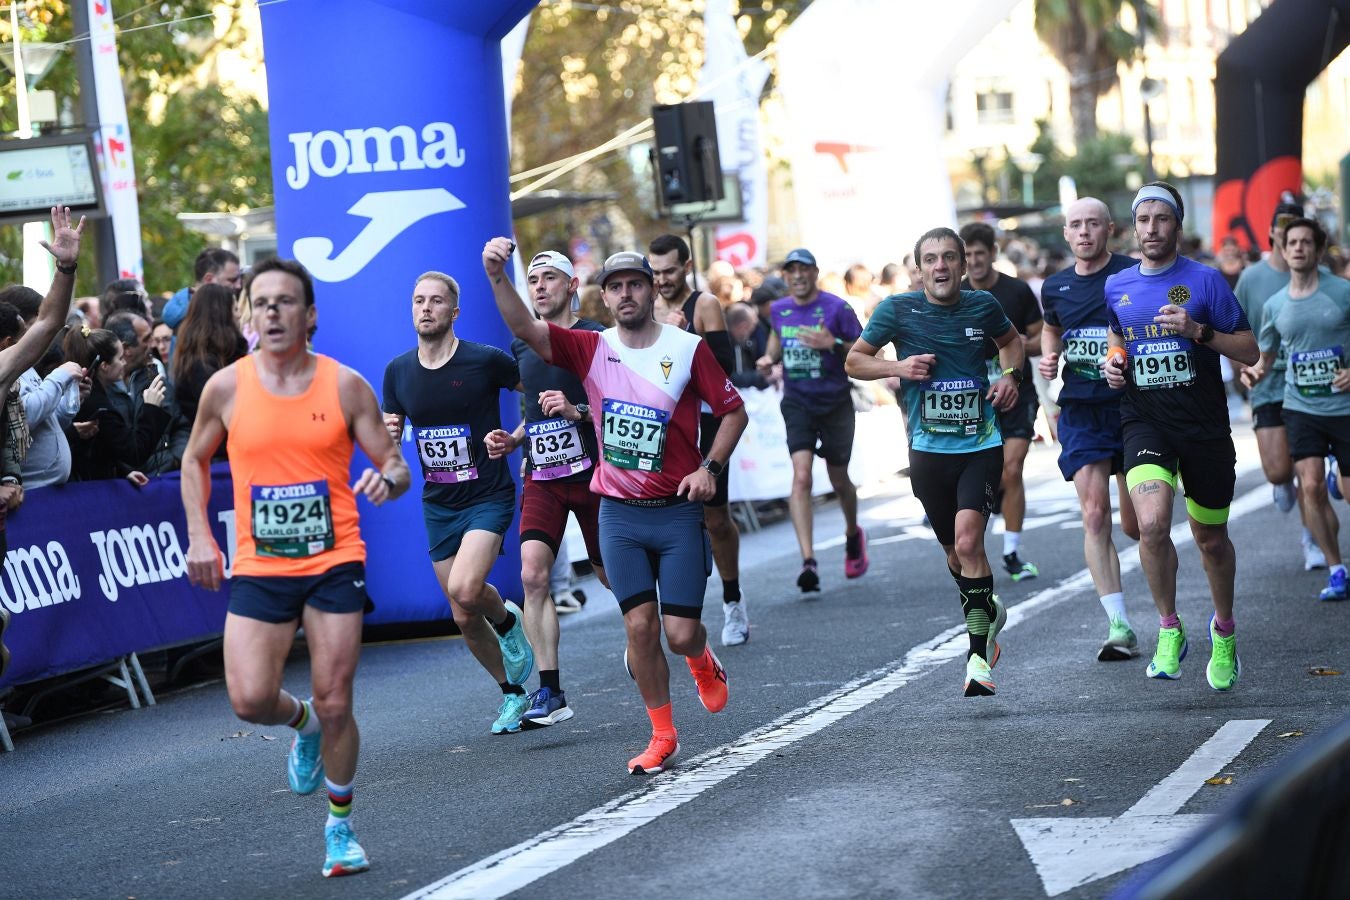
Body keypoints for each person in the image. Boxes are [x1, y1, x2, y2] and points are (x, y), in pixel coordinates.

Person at [182, 257, 411, 878]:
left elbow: (395, 464)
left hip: (335, 557)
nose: (274, 311)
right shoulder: (226, 388)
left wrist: (387, 481)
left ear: (309, 316)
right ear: (248, 315)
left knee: (337, 698)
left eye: (286, 301)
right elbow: (194, 459)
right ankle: (300, 723)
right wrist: (201, 535)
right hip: (262, 563)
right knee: (250, 698)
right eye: (263, 302)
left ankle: (340, 827)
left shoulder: (344, 385)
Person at [483, 240, 748, 775]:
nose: (626, 294)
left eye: (636, 284)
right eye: (617, 286)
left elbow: (733, 411)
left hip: (675, 511)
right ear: (604, 297)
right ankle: (662, 735)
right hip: (620, 514)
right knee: (640, 629)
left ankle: (700, 658)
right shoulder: (592, 348)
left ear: (652, 290)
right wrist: (495, 275)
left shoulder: (687, 347)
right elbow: (526, 331)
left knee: (679, 633)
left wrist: (709, 469)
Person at [846, 227, 1022, 696]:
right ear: (919, 268)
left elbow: (1012, 343)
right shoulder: (897, 310)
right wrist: (898, 368)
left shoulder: (983, 306)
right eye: (931, 259)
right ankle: (989, 614)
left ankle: (979, 656)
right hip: (927, 452)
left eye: (949, 258)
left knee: (969, 543)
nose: (940, 266)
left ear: (964, 265)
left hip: (980, 444)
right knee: (954, 553)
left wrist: (1010, 376)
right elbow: (854, 361)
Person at [1103, 182, 1258, 692]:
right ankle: (1169, 627)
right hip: (1144, 420)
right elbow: (1118, 337)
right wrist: (1115, 364)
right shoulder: (1118, 285)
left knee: (1210, 539)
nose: (1151, 228)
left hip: (1204, 427)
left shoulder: (1207, 282)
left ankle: (1225, 630)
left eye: (1161, 219)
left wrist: (1198, 332)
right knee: (1149, 526)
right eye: (1143, 219)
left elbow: (1249, 350)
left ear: (1178, 224)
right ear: (1133, 226)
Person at [381, 270, 535, 735]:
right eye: (418, 300)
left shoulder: (484, 361)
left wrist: (516, 438)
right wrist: (388, 439)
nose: (425, 308)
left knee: (467, 589)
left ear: (454, 312)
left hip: (487, 494)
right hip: (439, 501)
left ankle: (508, 621)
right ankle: (512, 694)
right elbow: (393, 428)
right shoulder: (398, 371)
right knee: (462, 614)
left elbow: (543, 391)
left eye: (435, 301)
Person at [483, 250, 610, 728]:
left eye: (549, 278)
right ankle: (550, 690)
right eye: (532, 279)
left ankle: (646, 640)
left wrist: (577, 410)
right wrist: (512, 438)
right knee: (534, 576)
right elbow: (535, 412)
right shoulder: (523, 348)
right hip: (543, 478)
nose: (538, 287)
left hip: (595, 477)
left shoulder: (597, 338)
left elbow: (623, 407)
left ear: (572, 284)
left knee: (611, 578)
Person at [1039, 198, 1143, 660]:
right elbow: (1050, 328)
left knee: (1140, 526)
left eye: (1093, 225)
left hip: (1133, 408)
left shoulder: (1131, 275)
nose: (1084, 232)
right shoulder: (1055, 287)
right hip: (1081, 409)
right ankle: (1118, 625)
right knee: (1095, 514)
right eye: (1076, 225)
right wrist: (1048, 356)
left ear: (1110, 230)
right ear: (1066, 233)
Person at [649, 234, 748, 646]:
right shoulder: (647, 310)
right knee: (665, 522)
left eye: (670, 270)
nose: (662, 280)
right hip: (666, 427)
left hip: (706, 424)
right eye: (654, 272)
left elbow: (724, 368)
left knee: (716, 519)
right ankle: (669, 618)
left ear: (686, 267)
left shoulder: (703, 305)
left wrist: (685, 336)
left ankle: (733, 600)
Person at [1247, 218, 1350, 600]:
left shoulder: (1342, 293)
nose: (1299, 248)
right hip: (1301, 406)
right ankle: (1336, 568)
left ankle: (1337, 477)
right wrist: (1253, 373)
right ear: (1283, 248)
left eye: (1307, 242)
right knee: (1308, 486)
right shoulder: (1276, 305)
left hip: (1344, 407)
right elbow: (1267, 354)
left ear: (1318, 249)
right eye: (1292, 242)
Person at [756, 248, 868, 594]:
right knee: (801, 476)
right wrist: (768, 356)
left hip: (835, 402)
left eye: (804, 270)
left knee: (838, 478)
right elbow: (778, 336)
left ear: (815, 272)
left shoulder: (838, 308)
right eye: (791, 271)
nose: (798, 276)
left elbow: (864, 351)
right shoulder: (778, 309)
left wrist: (831, 342)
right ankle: (808, 561)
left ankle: (852, 533)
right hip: (798, 401)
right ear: (785, 277)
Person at [1236, 202, 1326, 570]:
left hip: (1312, 387)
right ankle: (1281, 481)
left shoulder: (1318, 274)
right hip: (1268, 384)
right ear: (1274, 233)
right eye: (1284, 228)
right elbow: (1234, 330)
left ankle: (1312, 541)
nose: (1294, 239)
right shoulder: (1252, 279)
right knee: (1278, 471)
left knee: (1311, 476)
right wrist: (1244, 375)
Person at [959, 223, 1043, 582]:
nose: (974, 261)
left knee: (1012, 468)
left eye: (980, 253)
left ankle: (1010, 552)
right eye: (967, 255)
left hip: (1018, 393)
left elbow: (1043, 338)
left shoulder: (1016, 291)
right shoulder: (954, 295)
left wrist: (1018, 345)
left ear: (993, 253)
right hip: (974, 402)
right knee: (985, 476)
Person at [63, 326, 169, 482]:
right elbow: (135, 452)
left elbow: (105, 446)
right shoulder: (98, 406)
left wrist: (123, 471)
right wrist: (151, 407)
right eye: (120, 358)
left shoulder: (93, 395)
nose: (124, 363)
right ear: (104, 366)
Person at [172, 283, 249, 457]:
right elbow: (231, 413)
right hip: (219, 459)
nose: (239, 315)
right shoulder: (202, 366)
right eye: (235, 309)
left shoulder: (215, 358)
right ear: (222, 315)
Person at [163, 247, 243, 331]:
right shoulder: (190, 319)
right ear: (208, 279)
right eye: (232, 280)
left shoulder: (199, 311)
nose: (238, 286)